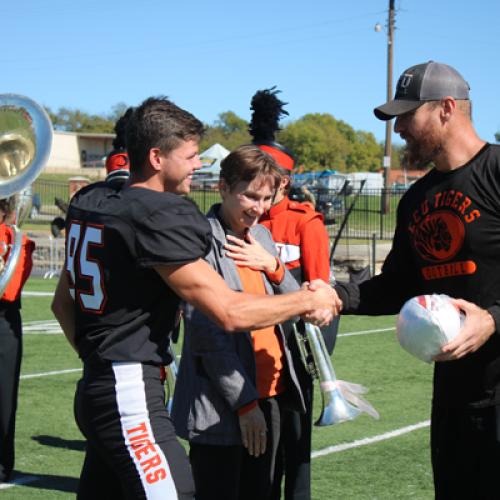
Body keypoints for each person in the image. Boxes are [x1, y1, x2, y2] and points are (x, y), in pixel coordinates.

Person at [51, 96, 341, 500]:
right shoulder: (159, 214)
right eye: (190, 156)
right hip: (129, 390)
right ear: (156, 157)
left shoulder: (94, 201)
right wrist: (308, 301)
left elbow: (61, 305)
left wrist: (99, 358)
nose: (198, 164)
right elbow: (228, 312)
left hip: (97, 387)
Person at [334, 61, 500, 499]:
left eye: (409, 115)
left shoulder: (498, 171)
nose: (400, 127)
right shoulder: (416, 199)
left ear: (447, 108)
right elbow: (396, 285)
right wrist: (333, 297)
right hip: (455, 398)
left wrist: (494, 319)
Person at [172, 145, 308, 500]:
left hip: (272, 392)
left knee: (264, 492)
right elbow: (206, 334)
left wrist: (273, 266)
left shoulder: (262, 237)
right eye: (249, 195)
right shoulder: (201, 238)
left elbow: (294, 307)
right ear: (223, 187)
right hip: (224, 401)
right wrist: (245, 403)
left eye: (266, 198)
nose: (258, 208)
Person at [249, 87, 337, 500]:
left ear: (283, 180)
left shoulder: (306, 222)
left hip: (295, 350)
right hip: (251, 349)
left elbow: (320, 294)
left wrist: (316, 362)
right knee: (257, 455)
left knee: (296, 446)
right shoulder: (241, 218)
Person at [0, 196, 35, 483]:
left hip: (4, 321)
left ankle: (1, 463)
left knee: (3, 395)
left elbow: (10, 289)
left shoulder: (15, 239)